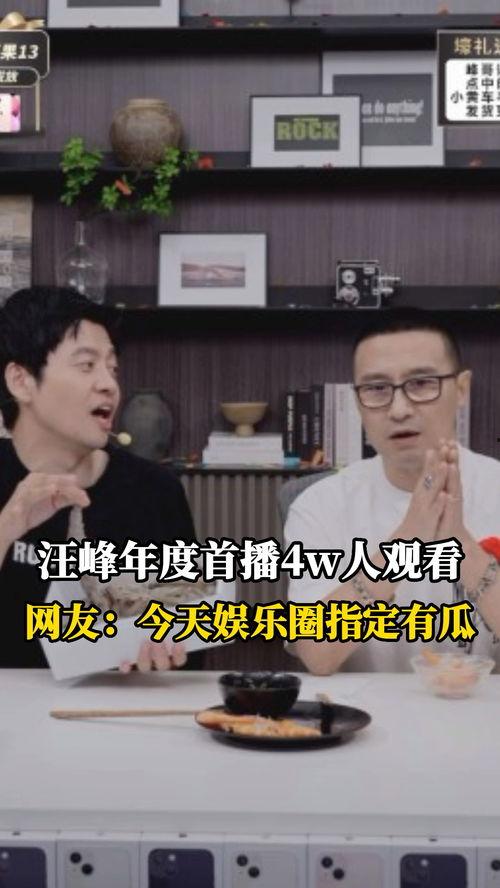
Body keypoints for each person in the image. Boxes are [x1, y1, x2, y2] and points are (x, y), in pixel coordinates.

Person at [285, 308, 500, 674]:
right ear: (358, 402)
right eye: (377, 389)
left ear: (461, 389)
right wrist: (405, 543)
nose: (399, 409)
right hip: (361, 707)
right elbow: (316, 655)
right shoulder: (320, 505)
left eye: (422, 383)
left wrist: (462, 547)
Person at [0, 286, 196, 671]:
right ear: (21, 381)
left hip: (118, 701)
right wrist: (9, 524)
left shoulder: (156, 491)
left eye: (112, 368)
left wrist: (167, 654)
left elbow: (189, 634)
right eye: (87, 365)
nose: (109, 385)